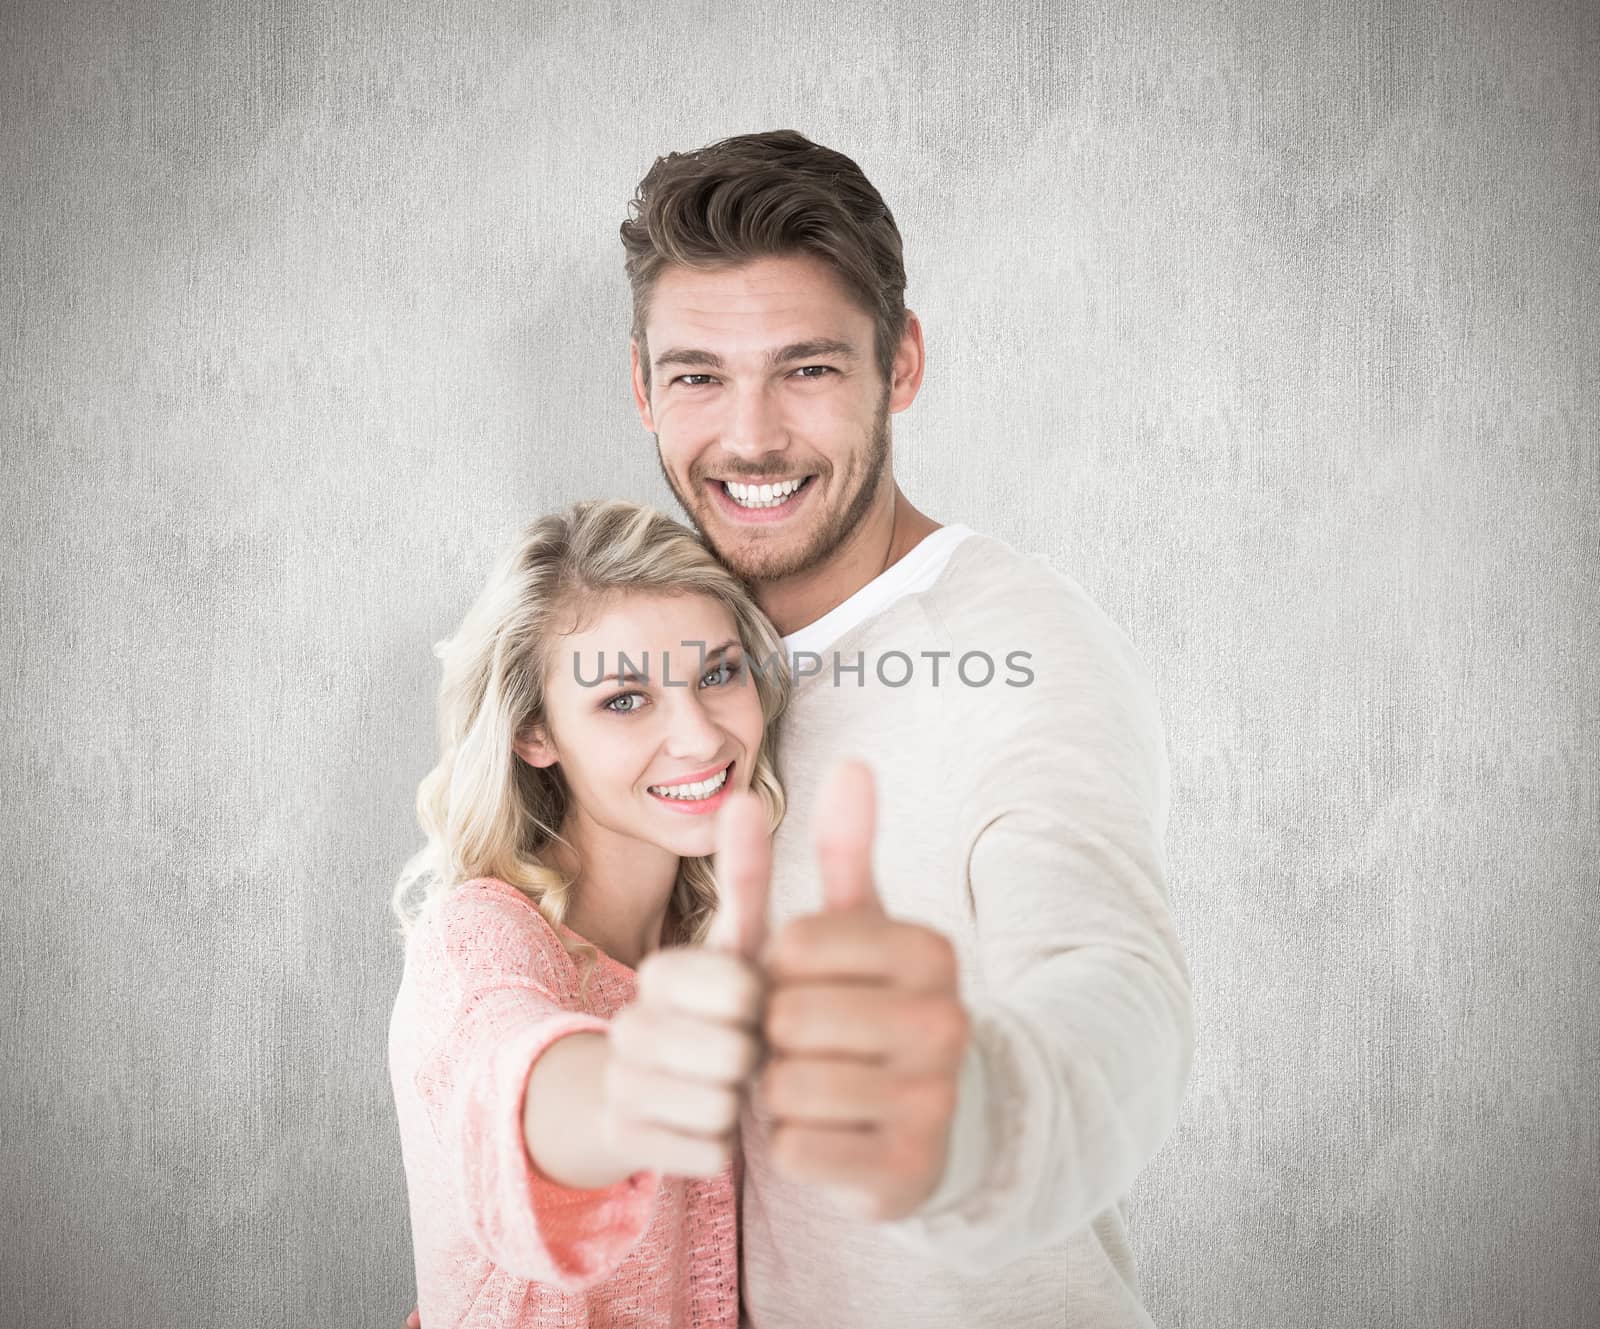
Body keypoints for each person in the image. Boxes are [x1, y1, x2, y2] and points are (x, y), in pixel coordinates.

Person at [409, 128, 1194, 1328]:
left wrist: (981, 1103)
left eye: (809, 369)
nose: (751, 437)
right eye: (697, 376)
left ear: (903, 365)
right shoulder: (680, 648)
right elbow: (497, 1063)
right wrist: (619, 1090)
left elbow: (1116, 991)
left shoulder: (1023, 650)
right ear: (641, 387)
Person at [387, 498, 793, 1326]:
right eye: (624, 699)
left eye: (717, 673)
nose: (700, 738)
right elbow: (512, 1073)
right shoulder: (475, 940)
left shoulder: (718, 926)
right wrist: (642, 1085)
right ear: (536, 731)